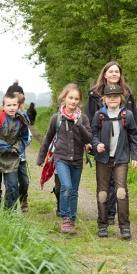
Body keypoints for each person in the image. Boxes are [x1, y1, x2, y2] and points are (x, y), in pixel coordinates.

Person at [85, 61, 137, 225]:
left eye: (117, 71)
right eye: (111, 71)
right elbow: (89, 120)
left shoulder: (127, 93)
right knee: (105, 183)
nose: (114, 74)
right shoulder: (94, 94)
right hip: (101, 143)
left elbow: (134, 120)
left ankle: (117, 216)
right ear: (104, 74)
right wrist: (89, 141)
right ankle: (108, 214)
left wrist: (135, 148)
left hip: (121, 144)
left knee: (119, 185)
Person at [37, 83, 93, 234]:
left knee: (74, 191)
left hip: (77, 160)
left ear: (79, 101)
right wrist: (41, 157)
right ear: (64, 98)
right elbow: (48, 138)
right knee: (66, 187)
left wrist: (79, 125)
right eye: (70, 98)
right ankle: (65, 218)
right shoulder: (56, 118)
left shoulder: (84, 118)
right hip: (61, 159)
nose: (73, 101)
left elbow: (89, 137)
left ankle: (71, 219)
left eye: (76, 99)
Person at [91, 84, 137, 239]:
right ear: (104, 99)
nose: (113, 99)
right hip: (103, 159)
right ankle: (102, 225)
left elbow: (134, 136)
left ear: (121, 98)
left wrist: (135, 156)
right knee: (103, 193)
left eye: (116, 96)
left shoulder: (127, 115)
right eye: (109, 97)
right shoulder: (99, 115)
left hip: (121, 159)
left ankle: (125, 226)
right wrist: (96, 144)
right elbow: (92, 134)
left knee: (121, 192)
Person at [0, 92, 29, 209]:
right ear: (3, 106)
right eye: (8, 105)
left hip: (12, 158)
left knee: (12, 187)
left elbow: (24, 138)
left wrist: (16, 148)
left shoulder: (22, 120)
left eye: (14, 105)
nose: (12, 108)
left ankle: (10, 214)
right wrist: (6, 147)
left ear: (18, 105)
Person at [5, 80, 31, 213]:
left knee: (24, 182)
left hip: (20, 157)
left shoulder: (23, 117)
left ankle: (24, 197)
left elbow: (28, 136)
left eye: (18, 104)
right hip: (8, 158)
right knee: (12, 184)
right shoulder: (2, 117)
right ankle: (11, 209)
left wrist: (19, 145)